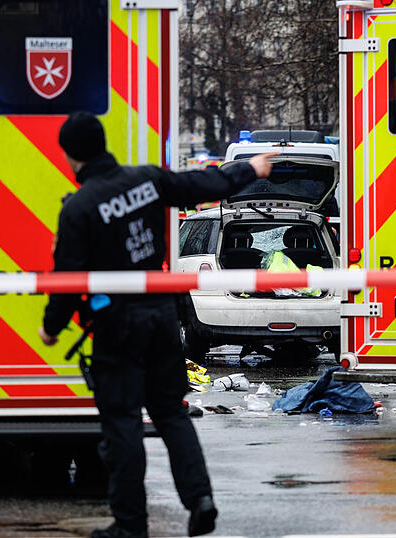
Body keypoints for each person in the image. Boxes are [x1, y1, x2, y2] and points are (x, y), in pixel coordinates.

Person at [38, 112, 276, 538]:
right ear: (102, 143)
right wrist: (250, 169)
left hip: (117, 326)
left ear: (70, 156)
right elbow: (202, 183)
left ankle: (130, 525)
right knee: (170, 414)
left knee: (123, 422)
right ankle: (200, 500)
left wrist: (51, 328)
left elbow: (67, 278)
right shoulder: (146, 180)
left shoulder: (79, 207)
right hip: (162, 317)